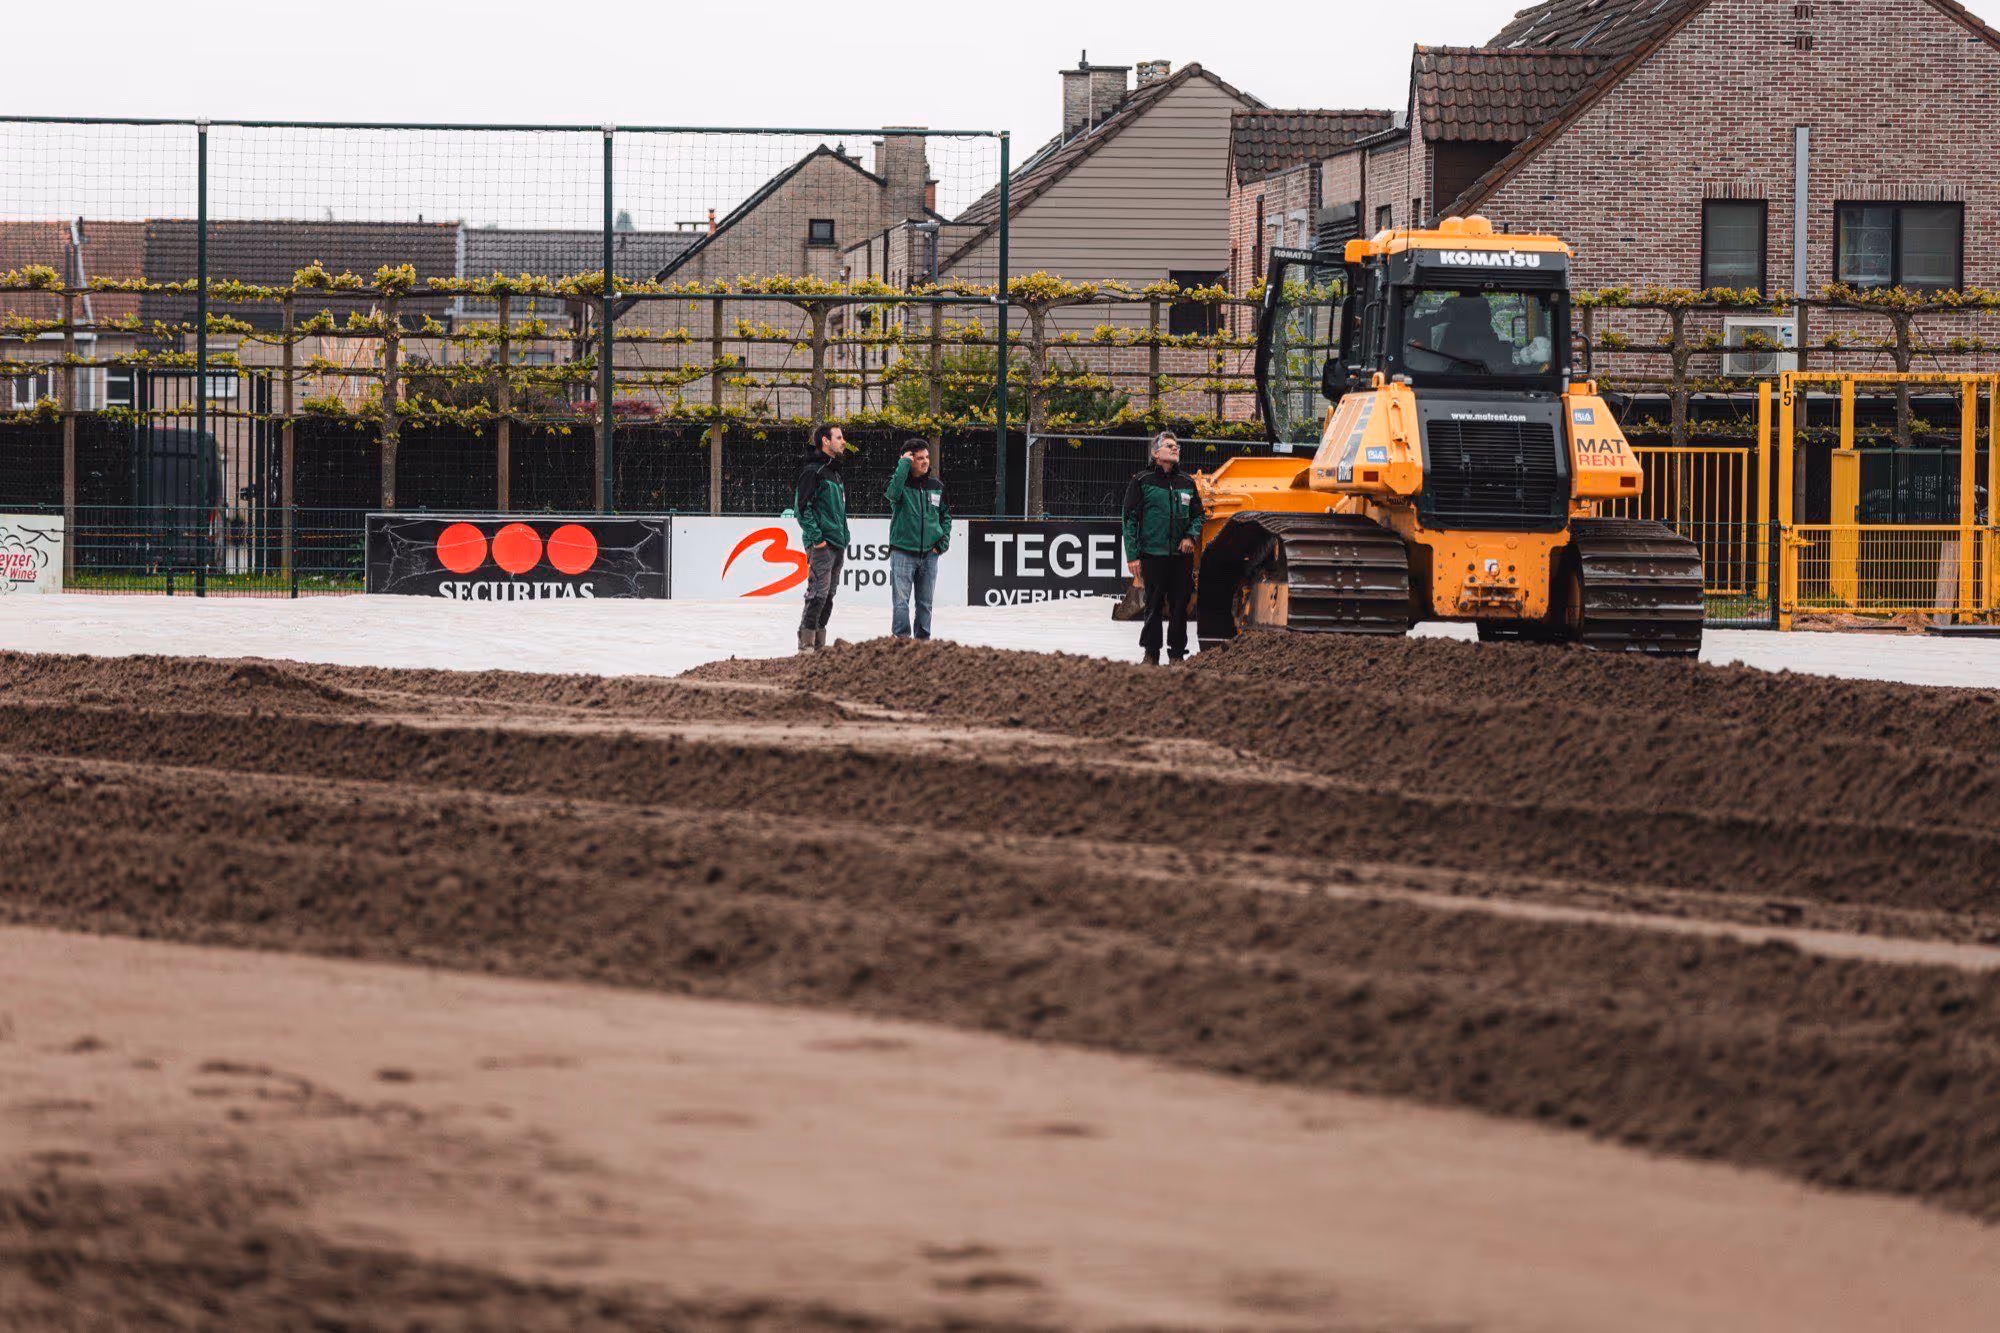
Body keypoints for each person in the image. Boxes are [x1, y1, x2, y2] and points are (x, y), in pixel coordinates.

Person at [1121, 431, 1204, 665]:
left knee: (1180, 606)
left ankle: (1177, 655)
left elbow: (1199, 515)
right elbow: (1129, 520)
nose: (1175, 448)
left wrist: (1191, 537)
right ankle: (1151, 654)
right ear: (1156, 453)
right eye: (1169, 445)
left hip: (1181, 557)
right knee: (1153, 606)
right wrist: (1133, 555)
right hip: (1152, 555)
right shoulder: (1142, 481)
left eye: (1177, 446)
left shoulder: (1187, 483)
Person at [885, 438, 951, 640]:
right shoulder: (899, 484)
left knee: (925, 604)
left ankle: (922, 645)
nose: (925, 462)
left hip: (930, 555)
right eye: (919, 458)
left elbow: (945, 516)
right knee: (901, 602)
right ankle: (901, 642)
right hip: (902, 552)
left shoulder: (936, 485)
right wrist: (903, 464)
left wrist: (942, 544)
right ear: (909, 460)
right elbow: (892, 494)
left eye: (927, 457)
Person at [794, 423, 849, 653]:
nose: (843, 441)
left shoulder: (835, 473)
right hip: (822, 545)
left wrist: (843, 537)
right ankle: (806, 646)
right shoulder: (812, 471)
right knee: (818, 593)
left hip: (837, 544)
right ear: (825, 441)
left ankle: (819, 646)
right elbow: (801, 509)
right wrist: (817, 539)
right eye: (838, 437)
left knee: (829, 595)